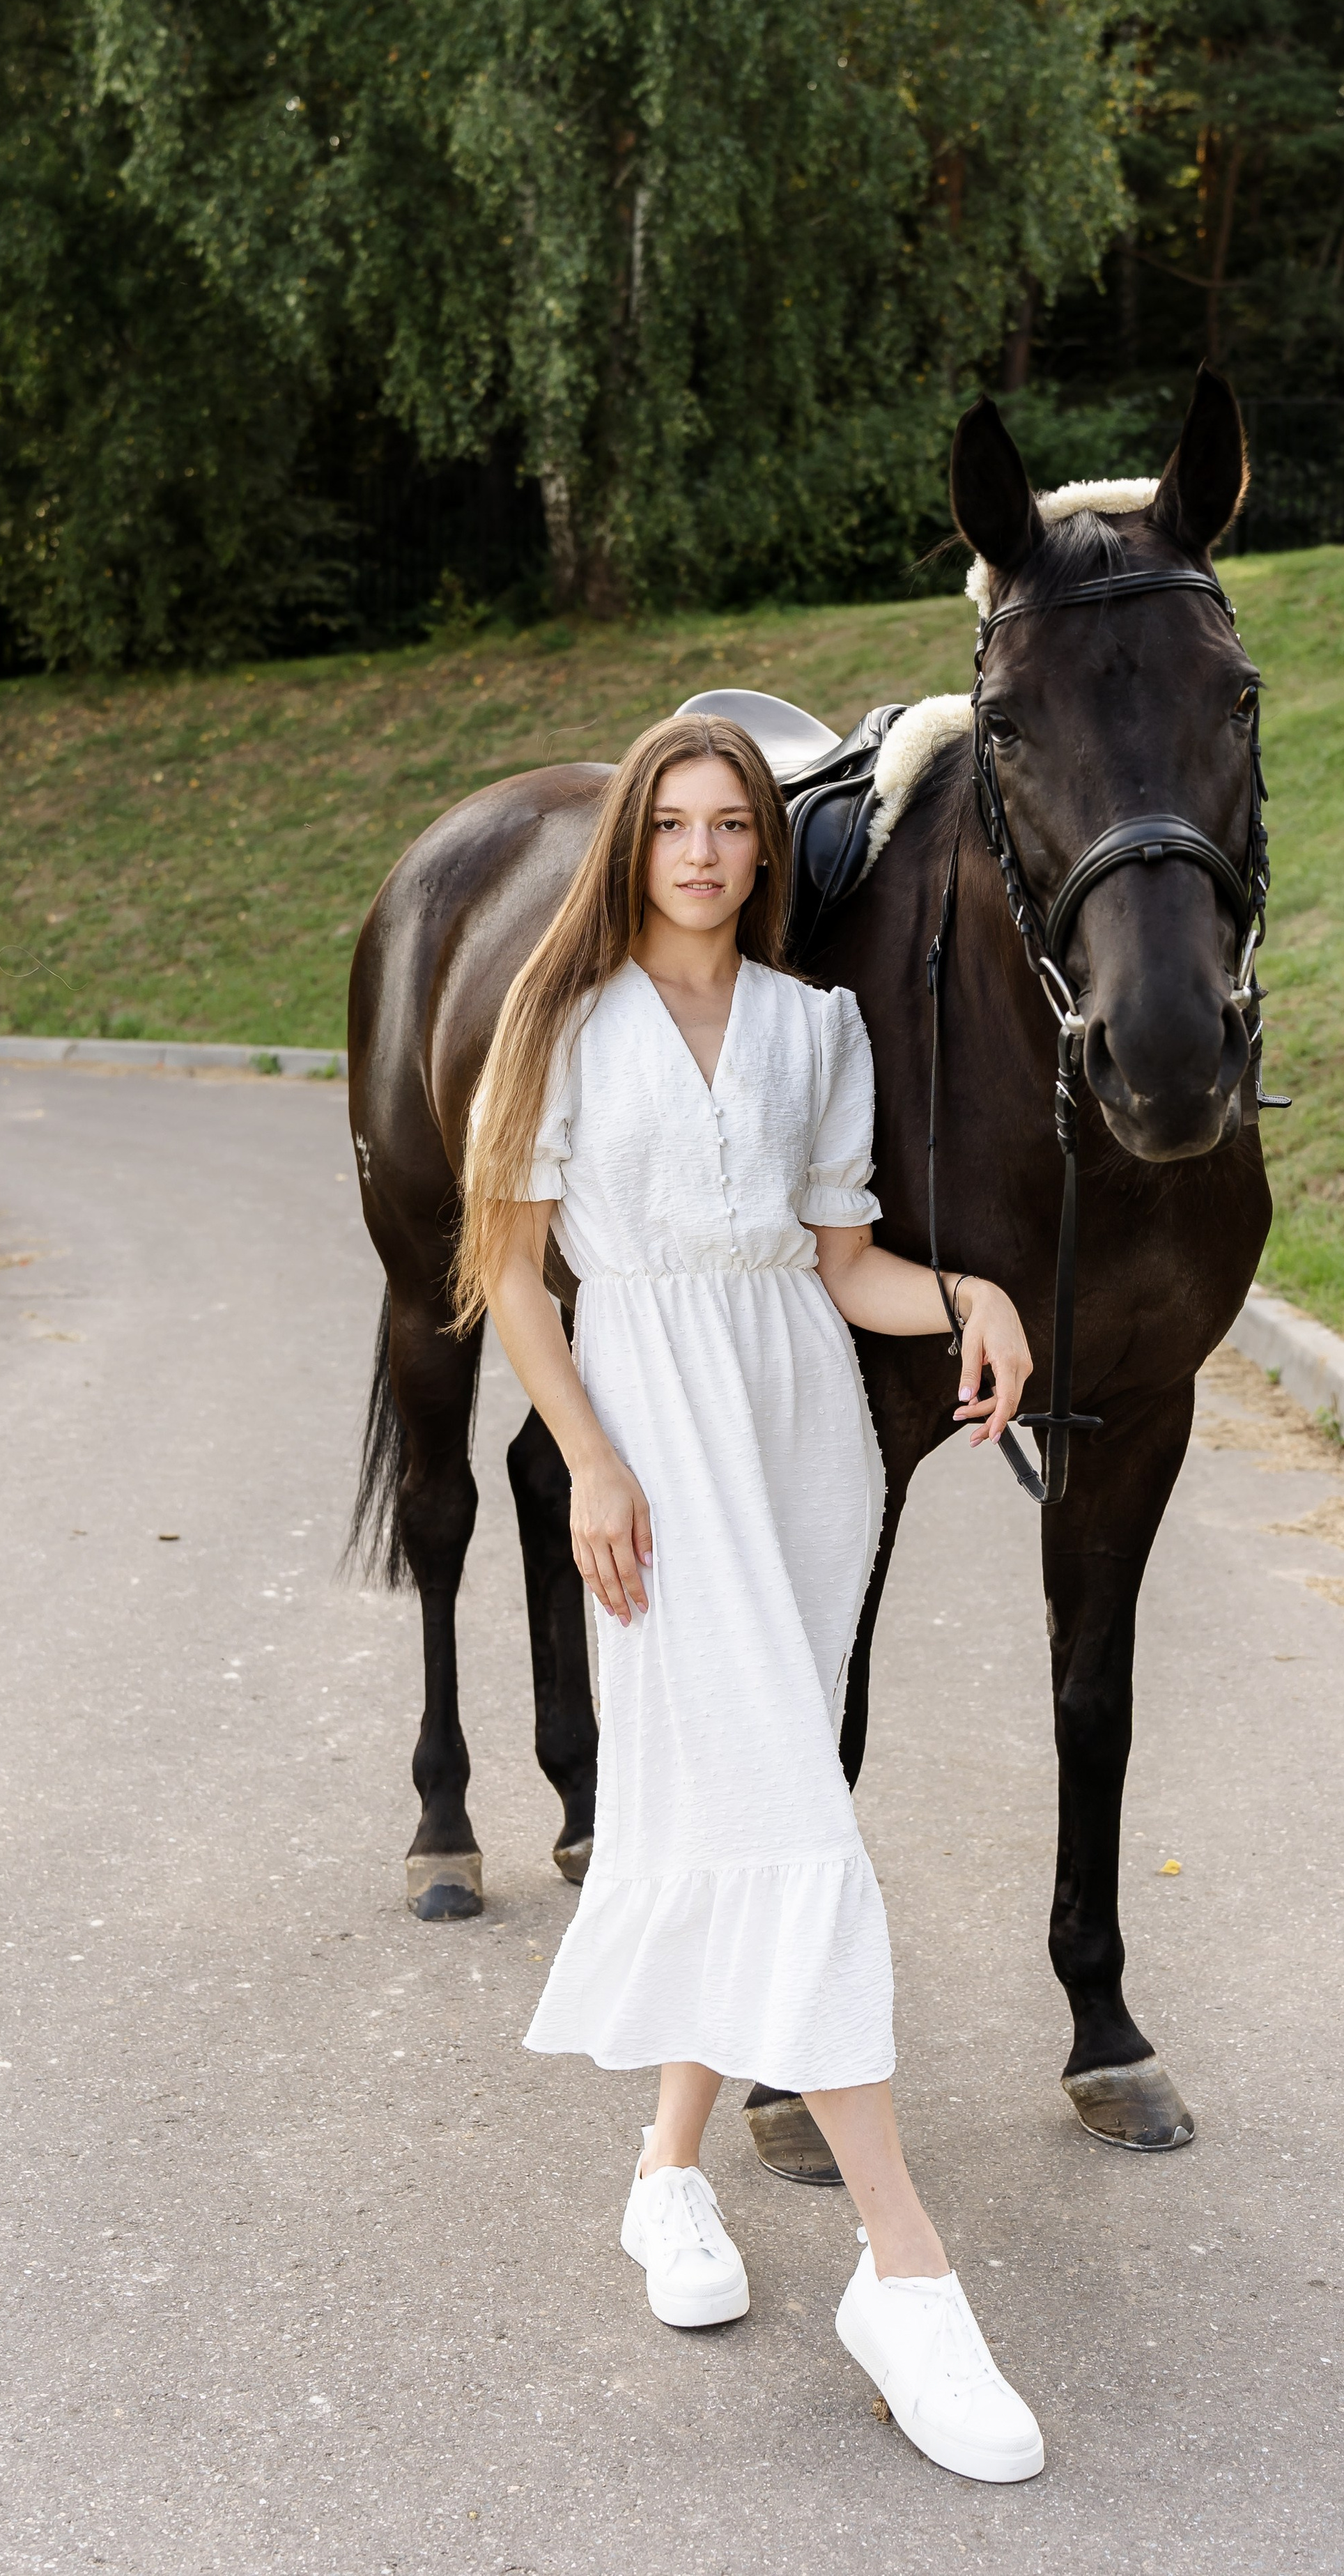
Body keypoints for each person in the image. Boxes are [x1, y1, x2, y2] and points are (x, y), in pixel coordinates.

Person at [454, 711, 1045, 2484]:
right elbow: (515, 1275)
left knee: (745, 1804)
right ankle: (904, 2272)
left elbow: (844, 1268)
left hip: (800, 1450)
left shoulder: (814, 1027)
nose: (702, 853)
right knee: (787, 1813)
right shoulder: (559, 1019)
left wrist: (973, 1297)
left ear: (762, 850)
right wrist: (590, 1462)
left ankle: (663, 2177)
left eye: (730, 825)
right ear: (630, 844)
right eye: (672, 825)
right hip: (653, 1446)